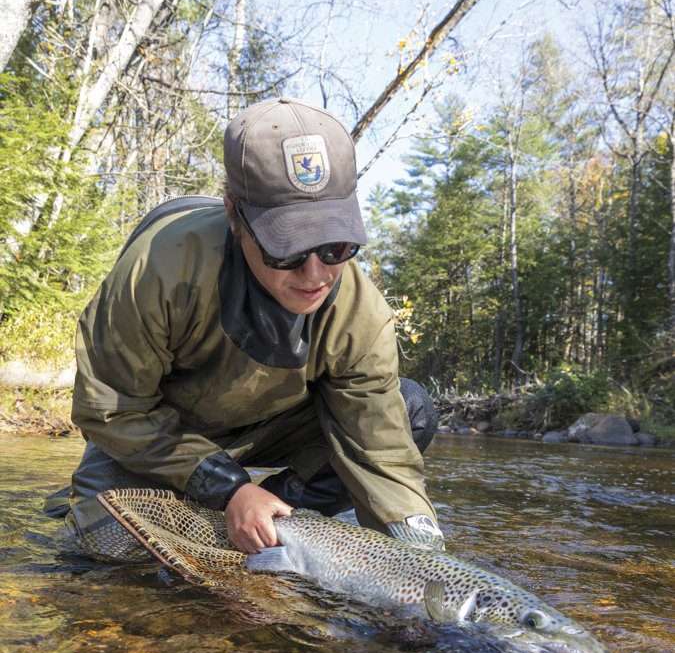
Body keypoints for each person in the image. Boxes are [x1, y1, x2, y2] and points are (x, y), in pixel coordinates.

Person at [45, 97, 443, 561]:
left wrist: (422, 557)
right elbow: (110, 410)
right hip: (158, 431)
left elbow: (383, 452)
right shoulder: (159, 272)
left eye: (335, 246)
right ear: (235, 215)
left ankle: (276, 524)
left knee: (410, 407)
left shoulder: (360, 311)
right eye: (287, 250)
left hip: (272, 429)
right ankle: (212, 507)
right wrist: (228, 489)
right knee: (107, 552)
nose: (316, 275)